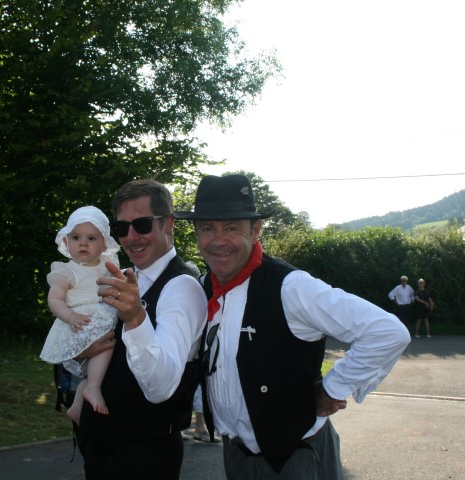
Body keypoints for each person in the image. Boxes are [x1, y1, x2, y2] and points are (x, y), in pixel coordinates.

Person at [174, 174, 411, 479]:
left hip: (294, 458)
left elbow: (387, 332)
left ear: (256, 230)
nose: (218, 241)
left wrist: (333, 388)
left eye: (231, 228)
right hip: (235, 455)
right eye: (207, 228)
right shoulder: (204, 287)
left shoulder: (291, 287)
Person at [74, 179, 207, 480]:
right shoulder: (123, 277)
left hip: (143, 456)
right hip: (102, 447)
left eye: (142, 225)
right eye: (122, 228)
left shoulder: (182, 288)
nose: (131, 237)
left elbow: (160, 387)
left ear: (168, 223)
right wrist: (83, 354)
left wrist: (135, 317)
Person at [39, 205, 121, 423]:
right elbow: (54, 299)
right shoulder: (66, 271)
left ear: (104, 244)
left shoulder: (109, 265)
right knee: (105, 349)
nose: (83, 243)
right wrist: (70, 317)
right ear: (66, 242)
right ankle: (92, 388)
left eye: (91, 238)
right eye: (76, 237)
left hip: (101, 318)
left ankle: (77, 406)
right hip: (79, 323)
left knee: (101, 364)